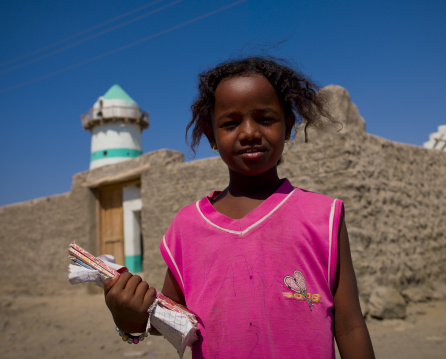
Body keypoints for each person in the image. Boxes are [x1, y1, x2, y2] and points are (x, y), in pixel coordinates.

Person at [104, 57, 375, 358]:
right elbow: (176, 321)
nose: (248, 132)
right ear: (212, 136)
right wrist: (130, 321)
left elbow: (350, 327)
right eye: (231, 123)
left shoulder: (323, 217)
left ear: (287, 127)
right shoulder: (187, 226)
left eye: (265, 118)